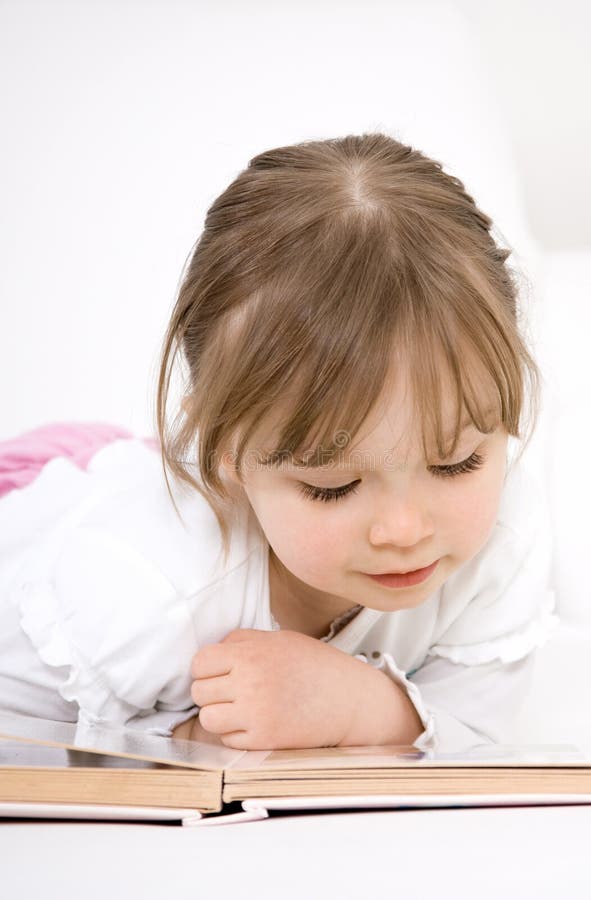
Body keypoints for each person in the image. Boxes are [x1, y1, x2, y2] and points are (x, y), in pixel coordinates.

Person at [0, 132, 558, 754]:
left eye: (456, 463)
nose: (403, 529)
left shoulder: (504, 534)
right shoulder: (138, 588)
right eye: (333, 486)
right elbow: (24, 745)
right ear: (223, 451)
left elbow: (481, 732)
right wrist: (193, 736)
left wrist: (361, 706)